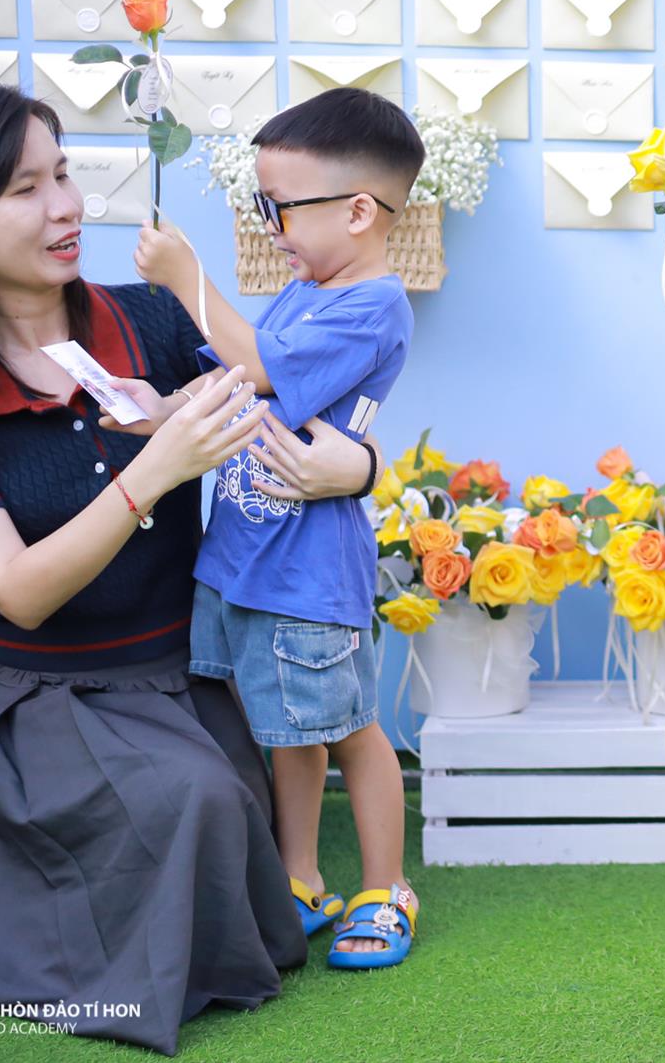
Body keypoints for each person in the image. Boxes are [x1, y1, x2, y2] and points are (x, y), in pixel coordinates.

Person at [0, 80, 385, 1054]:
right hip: (36, 698)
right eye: (25, 189)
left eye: (62, 174)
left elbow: (290, 412)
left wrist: (360, 468)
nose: (67, 206)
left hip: (183, 674)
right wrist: (156, 469)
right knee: (193, 803)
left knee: (217, 804)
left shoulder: (148, 317)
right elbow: (17, 590)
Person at [123, 88, 423, 968]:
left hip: (308, 571)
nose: (269, 228)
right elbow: (234, 378)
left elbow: (257, 363)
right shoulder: (303, 292)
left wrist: (187, 276)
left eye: (279, 207)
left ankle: (385, 886)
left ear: (359, 210)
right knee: (283, 728)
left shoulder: (373, 306)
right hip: (246, 557)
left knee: (350, 728)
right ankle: (299, 876)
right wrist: (159, 409)